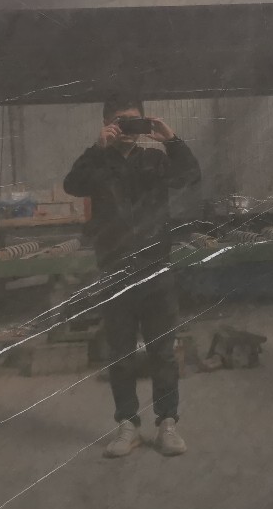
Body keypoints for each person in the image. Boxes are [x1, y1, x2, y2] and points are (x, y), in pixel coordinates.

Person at [63, 95, 201, 458]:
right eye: (120, 121)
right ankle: (128, 426)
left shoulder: (155, 160)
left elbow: (189, 176)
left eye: (133, 121)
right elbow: (72, 184)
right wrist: (97, 148)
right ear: (108, 124)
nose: (127, 128)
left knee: (163, 353)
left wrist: (172, 140)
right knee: (120, 354)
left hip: (156, 269)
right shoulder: (99, 163)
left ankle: (167, 423)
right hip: (115, 273)